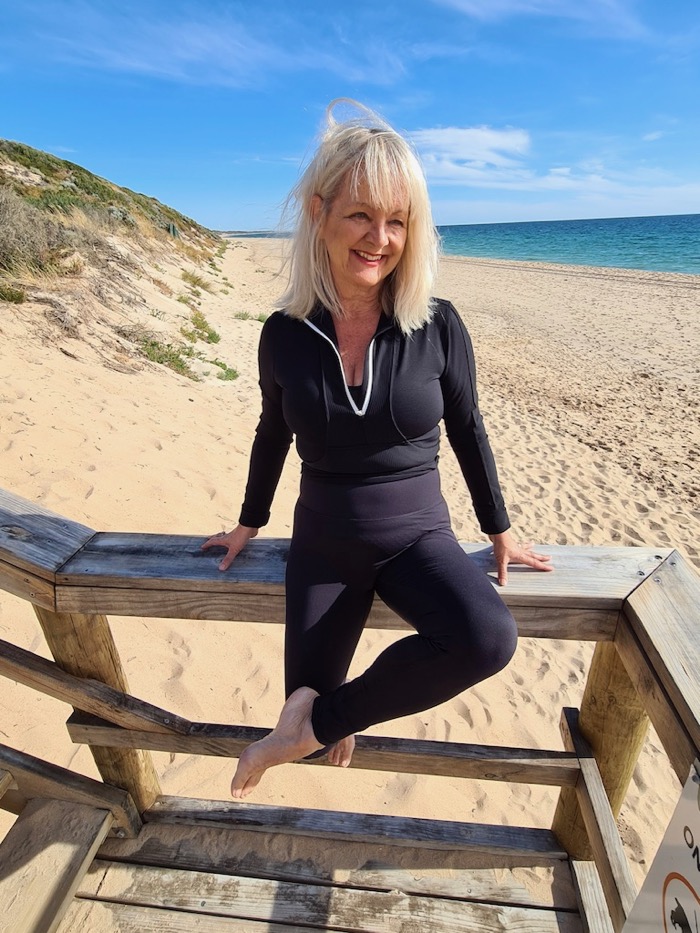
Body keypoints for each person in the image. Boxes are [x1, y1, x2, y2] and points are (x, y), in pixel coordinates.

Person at [202, 100, 552, 800]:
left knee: (488, 637)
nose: (380, 238)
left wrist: (499, 530)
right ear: (319, 208)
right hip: (323, 547)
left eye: (398, 220)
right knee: (301, 723)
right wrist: (250, 521)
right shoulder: (284, 333)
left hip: (416, 540)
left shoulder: (437, 324)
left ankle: (326, 718)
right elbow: (273, 431)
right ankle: (316, 722)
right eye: (362, 214)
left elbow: (468, 426)